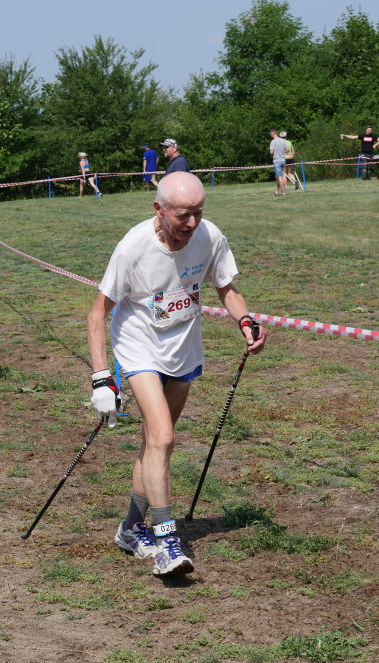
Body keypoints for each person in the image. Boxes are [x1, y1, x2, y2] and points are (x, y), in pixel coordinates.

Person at [86, 172, 266, 576]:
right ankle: (167, 541)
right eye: (183, 215)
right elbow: (97, 313)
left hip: (183, 348)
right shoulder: (133, 248)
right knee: (164, 436)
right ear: (159, 209)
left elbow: (227, 287)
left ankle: (131, 527)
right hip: (140, 347)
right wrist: (102, 378)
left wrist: (246, 320)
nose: (192, 224)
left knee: (156, 443)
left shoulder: (209, 236)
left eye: (199, 214)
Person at [268, 129, 288, 197]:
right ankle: (276, 192)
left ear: (272, 134)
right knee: (277, 176)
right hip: (283, 160)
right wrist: (282, 152)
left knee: (279, 177)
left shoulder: (273, 142)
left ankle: (283, 192)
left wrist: (275, 152)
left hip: (277, 161)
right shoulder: (283, 140)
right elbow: (287, 149)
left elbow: (271, 152)